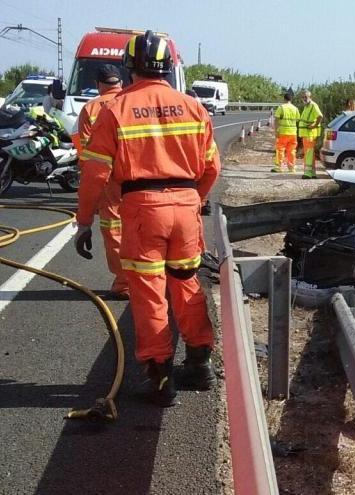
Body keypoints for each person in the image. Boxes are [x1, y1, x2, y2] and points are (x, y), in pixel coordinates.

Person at [75, 30, 220, 407]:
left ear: (129, 68)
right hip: (186, 208)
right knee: (186, 283)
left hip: (142, 210)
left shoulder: (114, 110)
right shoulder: (194, 107)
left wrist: (85, 220)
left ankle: (159, 376)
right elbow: (212, 167)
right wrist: (192, 200)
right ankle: (200, 362)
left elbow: (95, 174)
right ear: (169, 68)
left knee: (149, 292)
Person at [76, 64, 127, 299]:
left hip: (109, 180)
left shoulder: (90, 108)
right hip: (140, 177)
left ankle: (125, 283)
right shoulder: (131, 102)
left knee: (114, 230)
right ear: (120, 83)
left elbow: (86, 153)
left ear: (98, 84)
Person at [297, 90, 323, 179]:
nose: (304, 99)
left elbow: (320, 116)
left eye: (306, 97)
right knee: (310, 154)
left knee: (308, 153)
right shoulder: (307, 106)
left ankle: (308, 173)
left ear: (310, 97)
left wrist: (314, 125)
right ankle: (312, 173)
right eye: (303, 97)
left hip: (310, 134)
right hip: (307, 134)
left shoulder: (313, 105)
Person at [273, 91, 299, 173]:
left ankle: (279, 167)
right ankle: (292, 168)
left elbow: (276, 119)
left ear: (284, 99)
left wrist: (276, 130)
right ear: (291, 99)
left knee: (280, 149)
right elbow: (297, 119)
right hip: (293, 133)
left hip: (283, 132)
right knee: (292, 151)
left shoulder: (281, 107)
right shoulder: (295, 108)